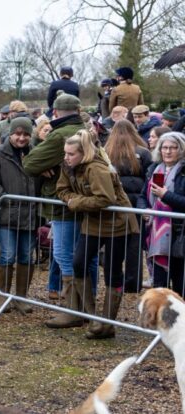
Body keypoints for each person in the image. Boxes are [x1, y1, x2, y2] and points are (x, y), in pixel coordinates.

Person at [57, 129, 138, 339]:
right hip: (93, 221)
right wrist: (72, 199)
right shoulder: (69, 167)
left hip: (117, 223)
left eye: (70, 154)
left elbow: (105, 199)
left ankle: (108, 323)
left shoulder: (96, 168)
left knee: (112, 270)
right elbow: (62, 190)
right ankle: (94, 319)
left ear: (83, 153)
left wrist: (76, 202)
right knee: (78, 263)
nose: (66, 158)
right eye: (65, 153)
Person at [23, 94, 91, 323]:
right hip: (82, 200)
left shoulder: (61, 134)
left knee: (63, 253)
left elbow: (30, 164)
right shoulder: (87, 128)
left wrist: (45, 165)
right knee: (85, 256)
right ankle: (87, 306)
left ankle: (74, 309)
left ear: (57, 112)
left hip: (63, 201)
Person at [0, 117, 36, 312]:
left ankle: (21, 297)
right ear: (10, 134)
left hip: (30, 214)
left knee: (26, 256)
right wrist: (6, 199)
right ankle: (3, 296)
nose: (21, 138)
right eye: (18, 134)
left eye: (26, 134)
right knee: (7, 255)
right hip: (6, 213)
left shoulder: (34, 153)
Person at [105, 119, 152, 293]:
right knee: (135, 243)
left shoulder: (106, 152)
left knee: (114, 242)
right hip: (136, 203)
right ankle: (132, 283)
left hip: (115, 203)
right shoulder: (143, 152)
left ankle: (113, 280)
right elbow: (150, 177)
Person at [146, 132, 185, 295]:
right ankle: (160, 318)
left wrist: (166, 195)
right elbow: (143, 195)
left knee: (179, 285)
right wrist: (145, 210)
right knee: (159, 284)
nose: (168, 151)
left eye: (173, 148)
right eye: (165, 147)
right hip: (156, 235)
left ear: (181, 150)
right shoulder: (155, 168)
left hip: (178, 234)